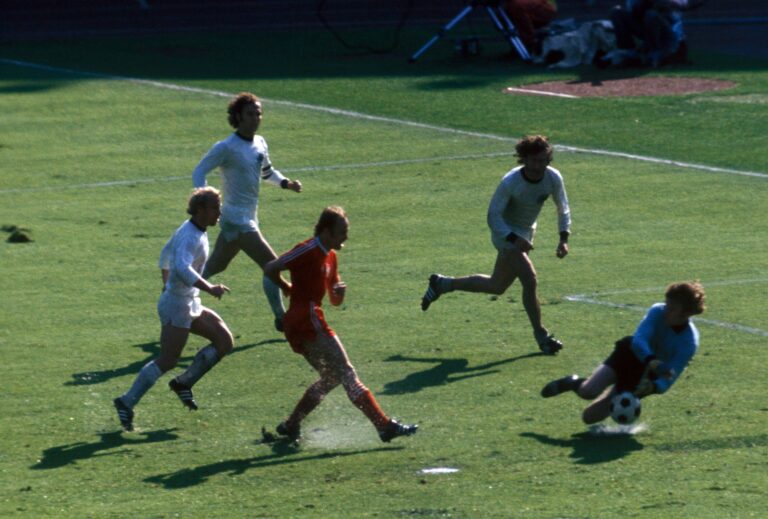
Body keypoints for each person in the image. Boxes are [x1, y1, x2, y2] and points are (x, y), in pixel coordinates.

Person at [264, 206, 418, 444]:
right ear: (326, 232)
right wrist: (286, 287)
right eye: (342, 231)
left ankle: (292, 424)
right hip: (305, 319)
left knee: (332, 377)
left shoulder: (331, 256)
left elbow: (334, 301)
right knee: (346, 372)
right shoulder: (307, 249)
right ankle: (384, 426)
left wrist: (339, 294)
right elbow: (271, 268)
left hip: (306, 319)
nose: (346, 237)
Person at [421, 135, 571, 355]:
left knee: (497, 286)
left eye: (544, 160)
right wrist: (512, 238)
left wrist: (563, 237)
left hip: (525, 234)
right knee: (530, 279)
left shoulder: (553, 178)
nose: (540, 166)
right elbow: (493, 217)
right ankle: (542, 336)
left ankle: (443, 284)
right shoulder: (511, 182)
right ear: (524, 159)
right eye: (535, 160)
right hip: (504, 234)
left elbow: (563, 208)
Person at [113, 187, 234, 431]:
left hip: (188, 301)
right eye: (214, 208)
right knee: (168, 359)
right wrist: (209, 287)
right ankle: (126, 402)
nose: (219, 212)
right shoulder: (190, 235)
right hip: (177, 305)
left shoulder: (193, 230)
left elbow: (165, 254)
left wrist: (166, 282)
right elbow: (181, 267)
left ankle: (184, 383)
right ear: (200, 210)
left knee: (224, 341)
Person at [192, 92, 302, 332]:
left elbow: (267, 172)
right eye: (251, 114)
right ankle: (282, 318)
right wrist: (204, 198)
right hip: (235, 218)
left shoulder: (260, 143)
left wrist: (286, 183)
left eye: (259, 113)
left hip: (249, 217)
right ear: (238, 117)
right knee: (272, 265)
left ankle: (177, 290)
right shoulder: (226, 147)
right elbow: (199, 171)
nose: (256, 118)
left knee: (215, 266)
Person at [540, 281, 705, 424]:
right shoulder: (657, 311)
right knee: (587, 392)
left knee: (589, 417)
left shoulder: (689, 342)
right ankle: (571, 382)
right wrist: (652, 360)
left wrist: (652, 387)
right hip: (629, 355)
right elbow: (639, 340)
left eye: (672, 308)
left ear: (686, 313)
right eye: (666, 304)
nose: (666, 310)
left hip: (646, 374)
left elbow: (670, 377)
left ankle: (620, 400)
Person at [610, 0, 704, 67]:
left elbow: (683, 5)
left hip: (668, 37)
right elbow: (634, 12)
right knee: (617, 11)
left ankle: (653, 54)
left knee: (651, 14)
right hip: (647, 32)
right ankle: (628, 53)